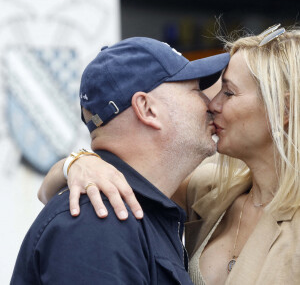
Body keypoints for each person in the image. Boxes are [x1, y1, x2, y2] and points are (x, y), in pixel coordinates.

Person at [38, 24, 300, 285]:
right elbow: (55, 193)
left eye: (229, 92)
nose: (213, 104)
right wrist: (77, 163)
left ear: (284, 108)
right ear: (147, 109)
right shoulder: (210, 191)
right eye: (202, 91)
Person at [11, 37, 229, 284]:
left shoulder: (129, 212)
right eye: (196, 90)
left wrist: (71, 163)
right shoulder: (100, 219)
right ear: (147, 109)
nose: (211, 104)